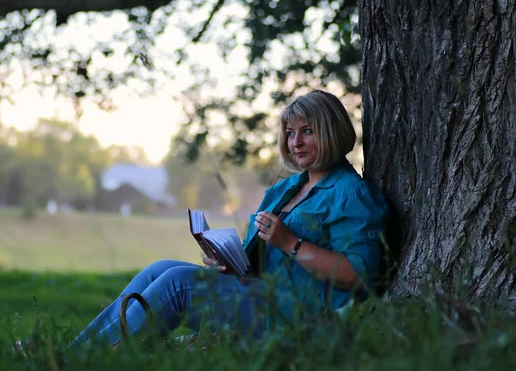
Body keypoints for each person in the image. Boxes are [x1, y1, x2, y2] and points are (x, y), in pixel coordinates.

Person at [70, 89, 388, 350]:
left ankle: (89, 358)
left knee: (178, 283)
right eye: (290, 133)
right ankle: (77, 350)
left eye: (307, 131)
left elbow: (356, 274)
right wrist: (235, 263)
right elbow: (271, 263)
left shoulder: (351, 194)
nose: (296, 142)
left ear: (332, 131)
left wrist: (290, 242)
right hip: (265, 295)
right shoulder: (288, 188)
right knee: (162, 268)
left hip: (300, 316)